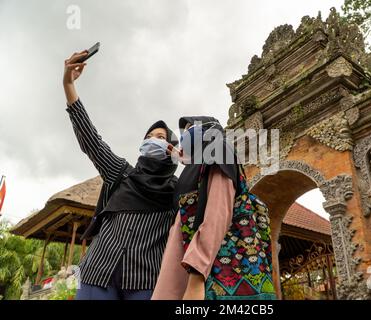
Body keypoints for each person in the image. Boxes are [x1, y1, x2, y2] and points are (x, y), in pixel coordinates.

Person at [63, 51, 179, 300]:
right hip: (97, 272)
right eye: (148, 137)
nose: (152, 140)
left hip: (146, 280)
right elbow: (90, 139)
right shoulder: (121, 173)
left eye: (160, 138)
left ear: (173, 148)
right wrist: (68, 84)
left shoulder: (179, 190)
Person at [152, 116, 275, 300]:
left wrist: (196, 276)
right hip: (181, 265)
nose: (185, 134)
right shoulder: (197, 165)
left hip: (202, 274)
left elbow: (218, 214)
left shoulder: (219, 149)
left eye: (190, 128)